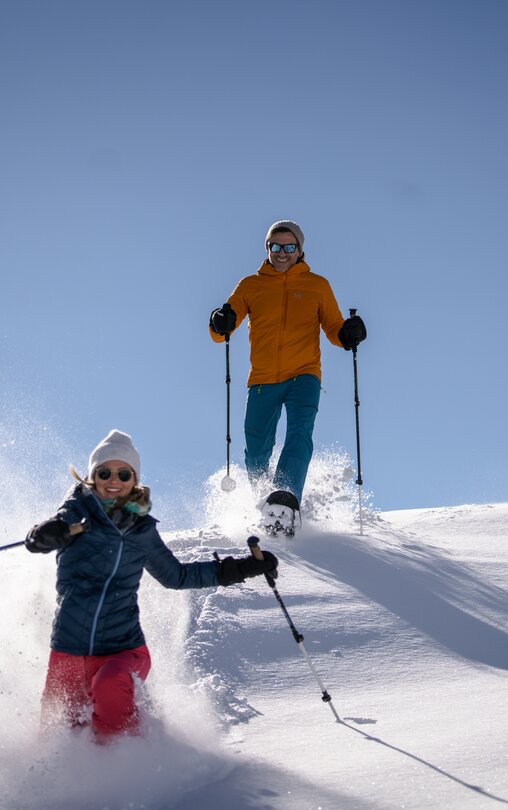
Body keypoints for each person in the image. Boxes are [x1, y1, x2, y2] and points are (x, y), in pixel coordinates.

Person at [25, 429, 277, 741]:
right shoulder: (73, 517)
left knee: (110, 687)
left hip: (122, 649)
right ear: (91, 477)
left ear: (134, 480)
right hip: (67, 651)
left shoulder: (141, 531)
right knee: (57, 736)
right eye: (104, 472)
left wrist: (241, 568)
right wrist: (43, 535)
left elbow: (177, 576)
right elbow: (40, 539)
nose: (113, 480)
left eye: (123, 473)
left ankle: (124, 764)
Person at [209, 220, 366, 530]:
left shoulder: (317, 285)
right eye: (275, 247)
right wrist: (219, 322)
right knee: (256, 452)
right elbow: (223, 329)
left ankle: (285, 497)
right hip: (262, 379)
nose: (282, 253)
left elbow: (334, 329)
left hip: (304, 375)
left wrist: (348, 335)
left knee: (299, 433)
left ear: (300, 250)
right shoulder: (250, 285)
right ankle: (264, 503)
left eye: (289, 247)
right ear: (267, 249)